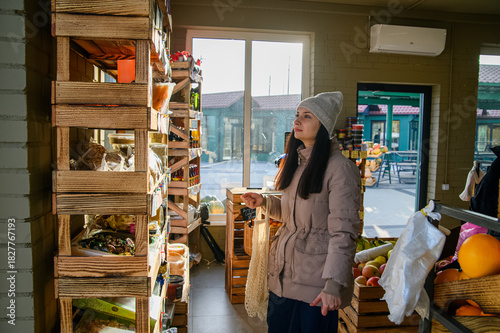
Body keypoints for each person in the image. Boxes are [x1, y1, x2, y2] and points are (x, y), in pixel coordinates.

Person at [241, 92, 361, 333]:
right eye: (297, 115)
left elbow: (344, 232)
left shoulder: (340, 169)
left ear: (324, 125)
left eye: (307, 116)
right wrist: (264, 202)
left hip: (316, 285)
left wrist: (333, 286)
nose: (297, 121)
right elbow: (293, 218)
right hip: (283, 277)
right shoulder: (297, 165)